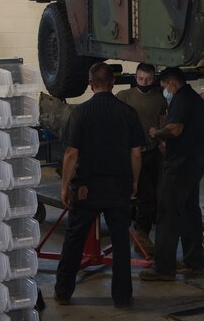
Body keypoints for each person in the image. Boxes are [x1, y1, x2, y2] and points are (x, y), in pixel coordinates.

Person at [54, 63, 143, 307]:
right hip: (118, 188)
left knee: (73, 241)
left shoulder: (80, 113)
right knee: (121, 244)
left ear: (91, 84)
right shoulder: (128, 113)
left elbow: (71, 153)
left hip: (86, 190)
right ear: (112, 83)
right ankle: (122, 297)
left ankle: (63, 293)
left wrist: (64, 186)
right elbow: (136, 154)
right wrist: (134, 181)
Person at [139, 67, 204, 281]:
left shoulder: (181, 99)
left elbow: (176, 129)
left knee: (167, 214)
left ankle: (164, 267)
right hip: (194, 162)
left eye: (164, 87)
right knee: (189, 213)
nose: (164, 92)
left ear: (172, 83)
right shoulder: (195, 100)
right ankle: (193, 262)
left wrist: (157, 133)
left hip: (180, 165)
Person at [116, 63, 167, 254]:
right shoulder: (124, 97)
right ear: (135, 77)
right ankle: (141, 234)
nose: (144, 82)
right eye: (140, 79)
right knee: (143, 195)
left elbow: (162, 121)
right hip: (132, 153)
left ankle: (144, 232)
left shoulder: (159, 99)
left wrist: (162, 140)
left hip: (153, 152)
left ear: (153, 79)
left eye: (148, 79)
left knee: (155, 195)